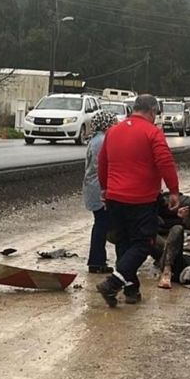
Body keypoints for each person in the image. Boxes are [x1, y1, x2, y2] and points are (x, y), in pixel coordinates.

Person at [96, 94, 180, 307]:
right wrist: (174, 191)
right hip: (141, 199)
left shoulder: (113, 132)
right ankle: (113, 283)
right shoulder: (152, 133)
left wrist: (105, 190)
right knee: (143, 244)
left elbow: (103, 163)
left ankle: (131, 291)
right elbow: (165, 162)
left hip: (115, 197)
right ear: (152, 111)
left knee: (124, 244)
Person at [83, 110, 118, 274]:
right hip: (99, 189)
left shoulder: (96, 139)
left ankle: (98, 259)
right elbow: (104, 166)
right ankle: (96, 261)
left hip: (93, 187)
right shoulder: (103, 141)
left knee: (101, 224)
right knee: (102, 225)